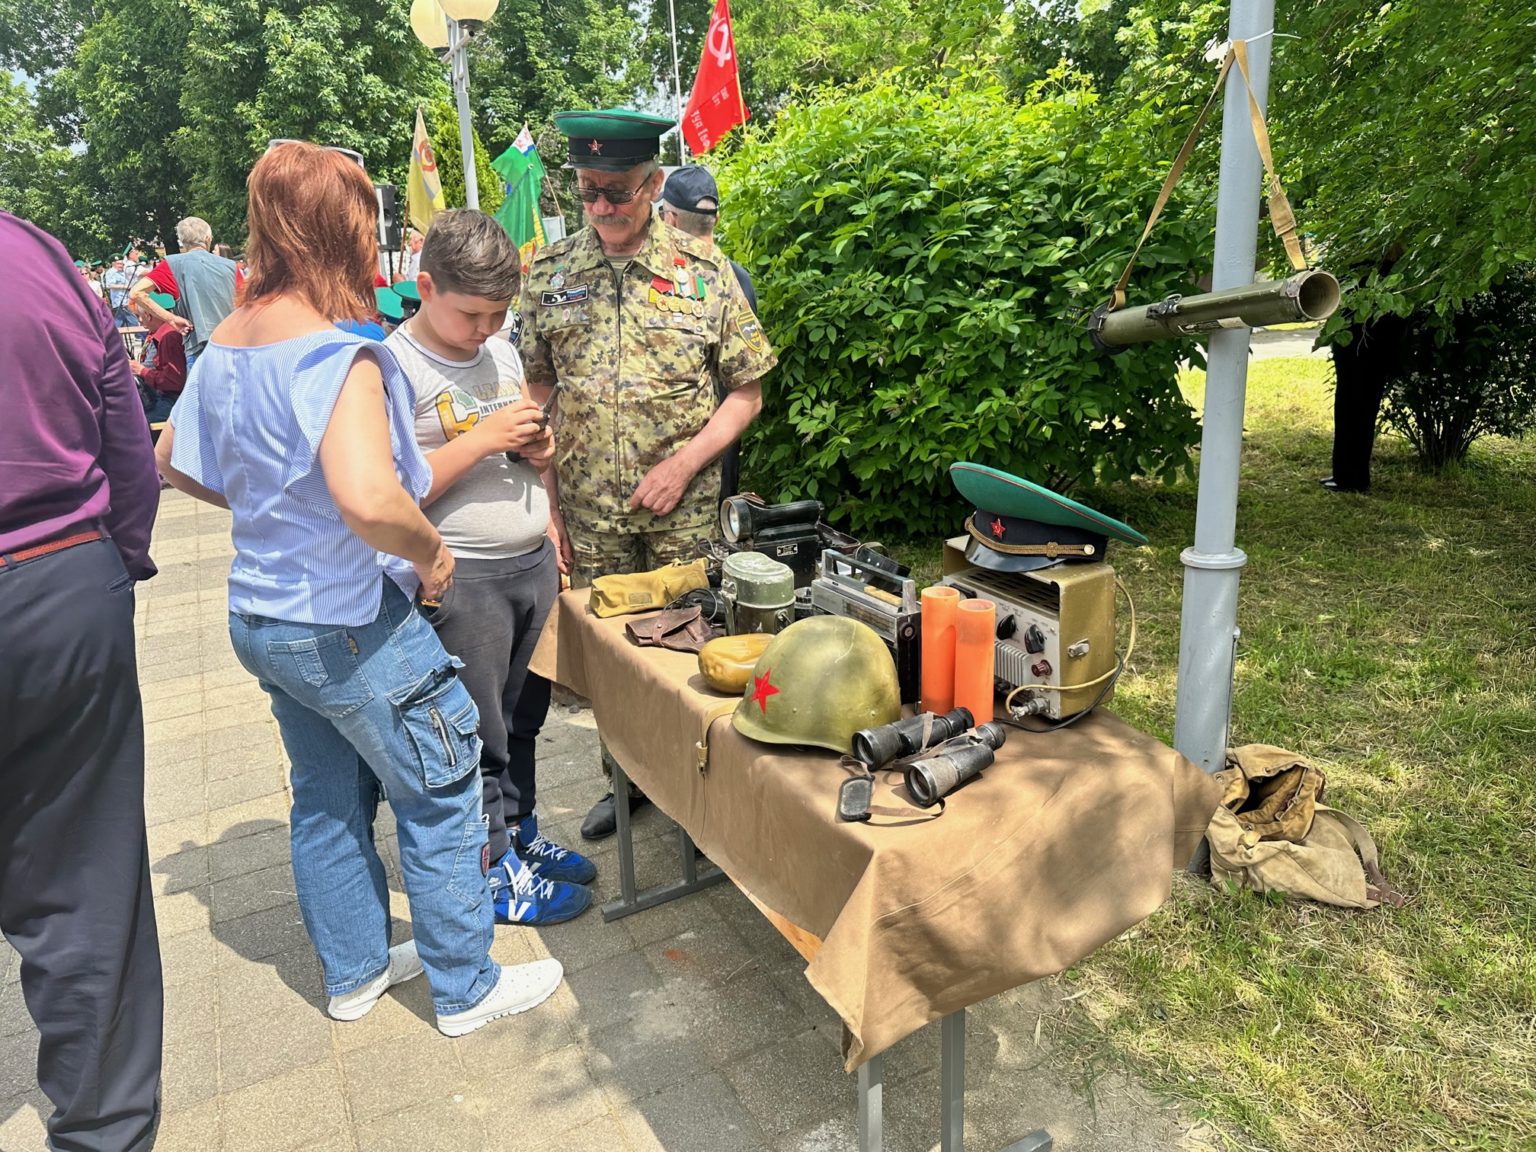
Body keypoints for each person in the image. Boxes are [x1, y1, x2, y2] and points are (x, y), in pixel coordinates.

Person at [155, 140, 563, 1036]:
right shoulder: (340, 355)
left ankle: (355, 973)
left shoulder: (226, 344)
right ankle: (464, 985)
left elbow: (171, 459)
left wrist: (268, 504)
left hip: (259, 613)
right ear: (346, 232)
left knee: (328, 795)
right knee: (443, 779)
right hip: (345, 617)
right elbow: (373, 498)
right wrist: (431, 556)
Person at [518, 109, 778, 840]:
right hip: (588, 510)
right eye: (589, 189)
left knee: (693, 654)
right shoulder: (550, 272)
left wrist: (686, 464)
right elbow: (535, 390)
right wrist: (548, 505)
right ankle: (624, 782)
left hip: (684, 512)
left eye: (619, 191)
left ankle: (703, 797)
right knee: (613, 662)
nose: (602, 205)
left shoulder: (705, 273)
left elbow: (747, 390)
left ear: (652, 183)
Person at [0, 211, 164, 1152]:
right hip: (60, 578)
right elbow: (125, 445)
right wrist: (114, 566)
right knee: (86, 883)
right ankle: (103, 1128)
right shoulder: (38, 256)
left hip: (61, 571)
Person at [387, 208, 596, 924]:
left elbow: (524, 445)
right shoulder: (394, 365)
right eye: (471, 314)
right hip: (463, 576)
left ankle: (522, 832)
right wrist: (480, 440)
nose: (485, 330)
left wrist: (539, 454)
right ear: (424, 287)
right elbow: (387, 491)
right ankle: (490, 865)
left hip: (528, 561)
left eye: (498, 314)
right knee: (478, 732)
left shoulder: (500, 353)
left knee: (525, 718)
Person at [658, 163, 759, 503]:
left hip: (674, 441)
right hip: (725, 431)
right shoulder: (737, 278)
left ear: (669, 219)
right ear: (714, 219)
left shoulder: (660, 279)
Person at [130, 216, 239, 372]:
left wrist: (172, 319)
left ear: (182, 241)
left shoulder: (172, 265)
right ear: (208, 238)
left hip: (198, 349)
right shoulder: (231, 267)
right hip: (233, 347)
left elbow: (136, 293)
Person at [129, 290, 188, 423]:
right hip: (171, 397)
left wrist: (141, 370)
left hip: (172, 400)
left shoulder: (168, 336)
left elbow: (174, 382)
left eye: (140, 316)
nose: (139, 320)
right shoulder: (166, 332)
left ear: (148, 315)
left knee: (136, 423)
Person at [103, 254, 135, 325]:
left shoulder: (122, 272)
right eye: (119, 264)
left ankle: (113, 334)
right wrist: (125, 287)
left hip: (126, 300)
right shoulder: (111, 272)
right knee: (132, 320)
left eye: (122, 264)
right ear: (113, 264)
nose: (121, 265)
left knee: (119, 320)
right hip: (119, 301)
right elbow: (109, 285)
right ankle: (141, 336)